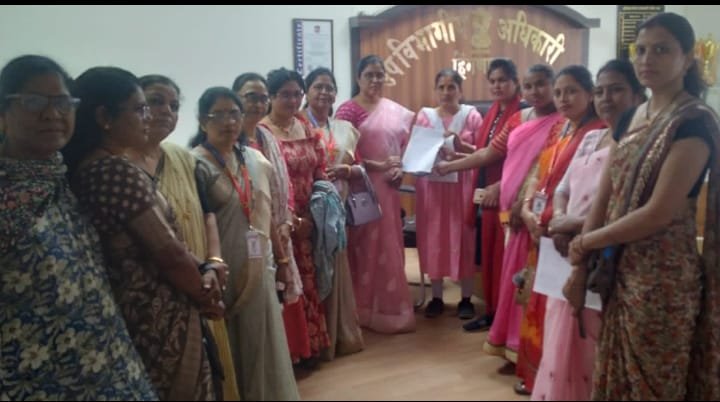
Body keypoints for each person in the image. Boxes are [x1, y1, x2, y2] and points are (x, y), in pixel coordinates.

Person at [567, 12, 720, 400]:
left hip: (662, 280)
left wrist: (585, 243)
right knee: (614, 377)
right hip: (618, 270)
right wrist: (580, 268)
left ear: (688, 58)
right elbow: (605, 194)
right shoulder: (631, 117)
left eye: (662, 50)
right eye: (641, 50)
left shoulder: (693, 122)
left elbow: (658, 212)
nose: (647, 59)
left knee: (654, 384)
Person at [0, 55, 157, 401]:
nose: (52, 114)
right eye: (33, 102)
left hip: (110, 367)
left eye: (62, 102)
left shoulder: (64, 179)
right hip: (33, 378)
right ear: (3, 113)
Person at [62, 67, 224, 400]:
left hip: (138, 309)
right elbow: (167, 250)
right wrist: (205, 294)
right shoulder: (112, 170)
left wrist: (206, 266)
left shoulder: (92, 166)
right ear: (104, 117)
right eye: (140, 108)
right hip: (156, 313)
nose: (148, 117)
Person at [530, 59, 645, 401]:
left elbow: (631, 209)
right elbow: (563, 188)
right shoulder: (592, 137)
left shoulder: (641, 143)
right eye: (601, 91)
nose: (607, 98)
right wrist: (560, 219)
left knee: (591, 338)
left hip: (606, 252)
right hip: (566, 250)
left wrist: (575, 225)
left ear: (638, 96)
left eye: (617, 90)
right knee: (559, 332)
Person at [438, 64, 559, 368]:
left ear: (552, 85)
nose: (534, 91)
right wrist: (450, 167)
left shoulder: (563, 123)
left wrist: (515, 195)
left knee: (535, 280)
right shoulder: (519, 118)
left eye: (541, 84)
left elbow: (550, 169)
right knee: (513, 276)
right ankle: (511, 342)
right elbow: (488, 153)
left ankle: (530, 349)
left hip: (538, 212)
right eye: (530, 86)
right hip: (511, 214)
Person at [127, 74, 240, 401]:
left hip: (204, 280)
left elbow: (208, 214)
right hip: (157, 290)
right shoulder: (118, 167)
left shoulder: (182, 158)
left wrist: (214, 262)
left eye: (174, 105)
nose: (166, 111)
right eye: (155, 102)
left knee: (210, 372)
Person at [191, 87, 300, 400]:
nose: (228, 122)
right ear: (203, 120)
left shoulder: (255, 160)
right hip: (222, 269)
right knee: (229, 343)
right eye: (219, 114)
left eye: (234, 114)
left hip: (260, 265)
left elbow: (266, 217)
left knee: (262, 339)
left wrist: (283, 262)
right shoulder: (194, 164)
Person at [514, 65, 606, 396]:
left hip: (568, 235)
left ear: (589, 94)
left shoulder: (598, 132)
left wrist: (556, 220)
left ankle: (563, 383)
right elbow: (539, 173)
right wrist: (527, 209)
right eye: (559, 92)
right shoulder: (560, 128)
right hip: (543, 224)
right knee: (540, 305)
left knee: (561, 313)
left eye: (572, 91)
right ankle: (538, 376)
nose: (563, 98)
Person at [438, 58, 524, 331]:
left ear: (515, 82)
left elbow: (494, 155)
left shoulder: (522, 113)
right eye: (493, 81)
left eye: (503, 80)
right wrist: (461, 151)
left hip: (507, 194)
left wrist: (451, 166)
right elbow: (483, 152)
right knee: (488, 256)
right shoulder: (494, 112)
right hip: (486, 193)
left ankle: (503, 316)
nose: (497, 86)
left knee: (503, 258)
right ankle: (492, 311)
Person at [335, 55, 416, 334]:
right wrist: (378, 165)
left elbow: (405, 148)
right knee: (362, 248)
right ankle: (361, 309)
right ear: (358, 78)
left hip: (389, 189)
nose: (375, 80)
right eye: (369, 74)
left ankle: (390, 310)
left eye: (380, 74)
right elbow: (341, 153)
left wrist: (399, 169)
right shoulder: (348, 110)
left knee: (389, 246)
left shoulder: (395, 110)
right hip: (360, 188)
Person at [260, 67, 331, 366]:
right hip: (280, 220)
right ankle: (289, 353)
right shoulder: (261, 133)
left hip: (309, 217)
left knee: (310, 281)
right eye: (285, 95)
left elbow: (320, 169)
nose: (292, 101)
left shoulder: (305, 126)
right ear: (271, 96)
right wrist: (291, 219)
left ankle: (311, 347)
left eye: (296, 94)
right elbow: (264, 181)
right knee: (287, 281)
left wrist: (317, 211)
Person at [300, 67, 365, 359]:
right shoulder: (295, 125)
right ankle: (312, 342)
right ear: (307, 91)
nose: (324, 92)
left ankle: (337, 335)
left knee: (334, 271)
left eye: (329, 87)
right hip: (306, 210)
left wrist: (347, 170)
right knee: (310, 273)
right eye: (318, 86)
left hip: (336, 211)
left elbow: (360, 167)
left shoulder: (344, 128)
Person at [412, 68, 483, 319]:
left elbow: (484, 151)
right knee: (434, 238)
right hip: (432, 188)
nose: (446, 92)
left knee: (463, 238)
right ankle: (437, 297)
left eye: (451, 87)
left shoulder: (471, 116)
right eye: (441, 87)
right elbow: (415, 150)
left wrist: (462, 146)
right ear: (435, 91)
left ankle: (466, 298)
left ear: (460, 90)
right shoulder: (425, 116)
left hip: (462, 186)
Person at [232, 72, 303, 306]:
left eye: (263, 98)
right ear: (236, 98)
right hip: (249, 232)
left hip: (281, 230)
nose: (258, 104)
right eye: (251, 97)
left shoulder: (267, 136)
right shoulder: (231, 142)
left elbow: (285, 182)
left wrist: (287, 221)